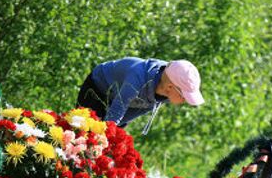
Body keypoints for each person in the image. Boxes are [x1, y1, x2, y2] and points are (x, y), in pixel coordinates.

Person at [76, 57, 204, 133]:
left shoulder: (167, 89)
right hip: (98, 88)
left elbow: (124, 118)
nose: (185, 101)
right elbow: (115, 114)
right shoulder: (138, 78)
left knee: (106, 144)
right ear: (170, 87)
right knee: (80, 131)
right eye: (184, 96)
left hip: (126, 100)